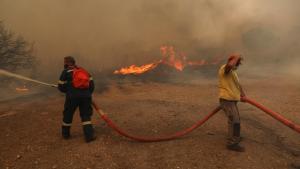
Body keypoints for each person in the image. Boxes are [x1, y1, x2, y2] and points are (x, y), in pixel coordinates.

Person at [57, 56, 96, 143]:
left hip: (72, 97)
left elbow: (61, 87)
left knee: (68, 114)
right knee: (86, 115)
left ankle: (66, 135)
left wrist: (69, 90)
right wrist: (87, 94)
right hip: (86, 97)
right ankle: (89, 136)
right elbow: (92, 85)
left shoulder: (65, 72)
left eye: (64, 62)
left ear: (67, 63)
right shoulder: (84, 71)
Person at [218, 54, 246, 152]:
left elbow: (238, 84)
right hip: (226, 100)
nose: (237, 65)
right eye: (237, 63)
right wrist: (236, 57)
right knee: (234, 121)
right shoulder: (225, 68)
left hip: (232, 100)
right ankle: (232, 143)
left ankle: (236, 136)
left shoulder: (233, 72)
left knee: (235, 119)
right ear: (231, 61)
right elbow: (229, 66)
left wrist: (243, 94)